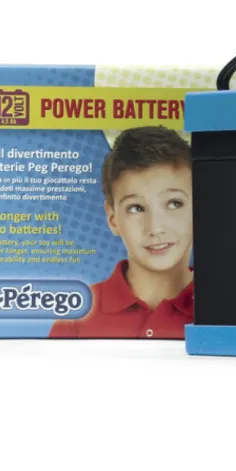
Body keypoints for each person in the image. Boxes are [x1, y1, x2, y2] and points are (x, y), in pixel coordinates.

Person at [49, 126, 193, 339]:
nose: (155, 228)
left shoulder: (223, 307)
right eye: (136, 208)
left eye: (174, 203)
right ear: (113, 218)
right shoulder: (76, 315)